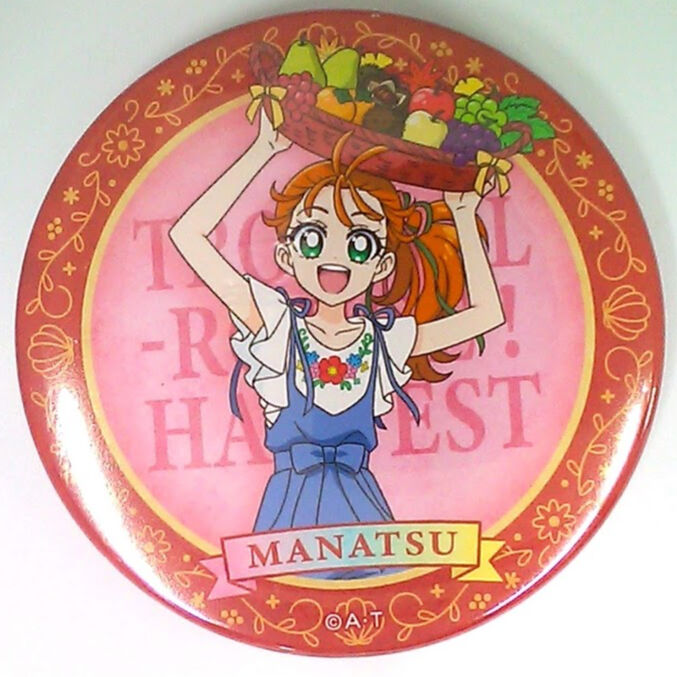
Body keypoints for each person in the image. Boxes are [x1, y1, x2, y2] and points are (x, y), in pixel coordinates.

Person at [169, 110, 505, 579]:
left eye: (360, 243)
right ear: (285, 253)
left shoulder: (384, 341)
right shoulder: (276, 327)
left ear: (383, 264)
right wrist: (262, 149)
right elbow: (187, 236)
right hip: (289, 518)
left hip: (362, 510)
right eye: (312, 238)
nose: (335, 256)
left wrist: (464, 216)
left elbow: (487, 316)